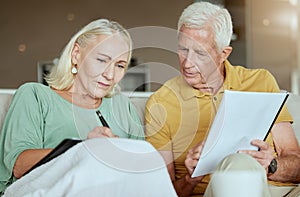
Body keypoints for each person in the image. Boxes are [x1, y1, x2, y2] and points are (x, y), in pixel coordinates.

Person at [145, 2, 300, 197]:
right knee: (238, 166)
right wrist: (190, 179)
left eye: (200, 53)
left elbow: (296, 163)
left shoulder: (261, 81)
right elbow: (162, 192)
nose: (187, 62)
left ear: (223, 54)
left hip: (277, 189)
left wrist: (272, 165)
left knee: (244, 164)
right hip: (214, 192)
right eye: (183, 49)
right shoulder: (161, 103)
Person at [0, 19, 145, 194]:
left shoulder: (122, 106)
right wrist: (84, 149)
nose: (110, 74)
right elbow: (19, 165)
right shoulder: (35, 96)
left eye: (120, 65)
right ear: (76, 54)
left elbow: (142, 169)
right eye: (101, 60)